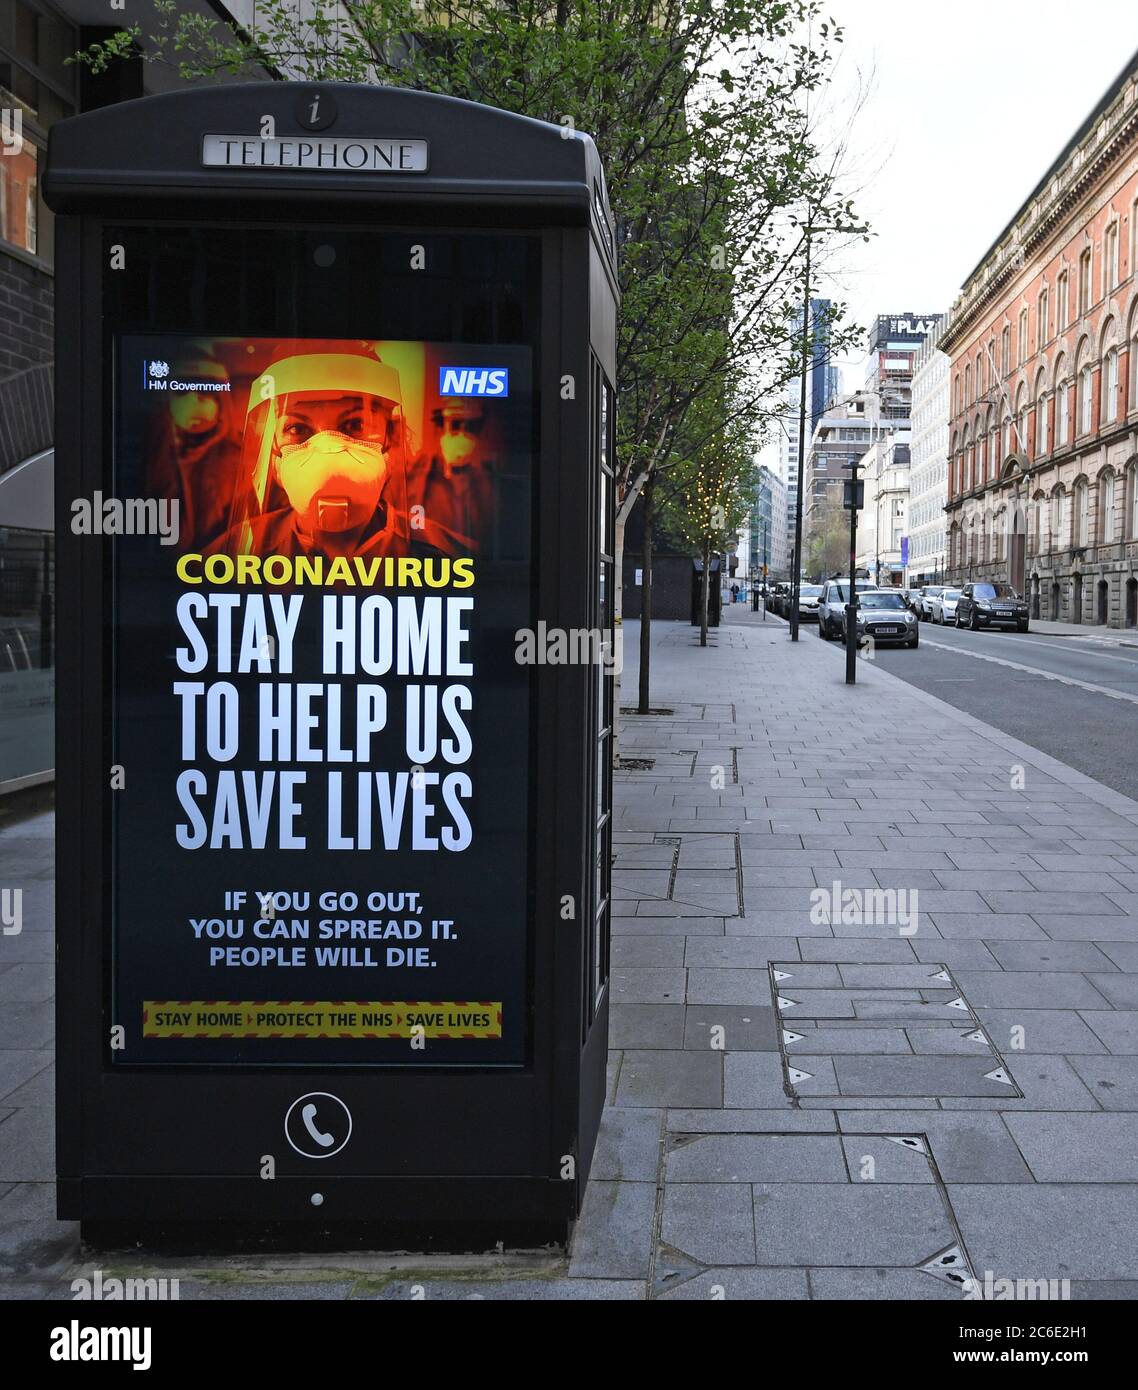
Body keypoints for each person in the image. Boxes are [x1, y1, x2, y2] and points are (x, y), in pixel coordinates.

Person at [214, 347, 456, 561]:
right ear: (273, 451)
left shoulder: (443, 554)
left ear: (392, 436)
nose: (327, 450)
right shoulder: (236, 552)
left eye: (355, 425)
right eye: (297, 429)